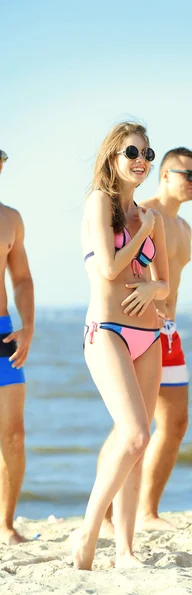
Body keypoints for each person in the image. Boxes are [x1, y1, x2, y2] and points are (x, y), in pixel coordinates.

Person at [73, 122, 169, 570]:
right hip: (107, 330)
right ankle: (89, 532)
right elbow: (110, 269)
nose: (141, 160)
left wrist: (153, 291)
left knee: (140, 445)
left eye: (148, 154)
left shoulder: (153, 218)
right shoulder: (99, 204)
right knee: (133, 435)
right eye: (132, 151)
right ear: (113, 156)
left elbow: (163, 284)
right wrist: (141, 232)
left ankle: (126, 551)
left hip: (148, 337)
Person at [100, 147, 192, 533]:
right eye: (187, 175)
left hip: (170, 331)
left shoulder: (185, 229)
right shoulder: (139, 213)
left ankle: (148, 511)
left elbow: (170, 282)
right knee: (128, 426)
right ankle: (109, 515)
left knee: (176, 422)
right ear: (165, 174)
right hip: (136, 328)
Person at [0, 148, 34, 544]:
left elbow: (22, 278)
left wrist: (28, 325)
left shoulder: (10, 219)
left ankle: (6, 525)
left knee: (13, 435)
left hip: (4, 332)